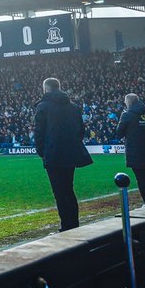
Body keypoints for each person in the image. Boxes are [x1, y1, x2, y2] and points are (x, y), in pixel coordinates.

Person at [33, 77, 93, 231]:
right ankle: (74, 224)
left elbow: (38, 132)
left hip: (53, 154)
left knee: (59, 192)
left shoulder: (43, 106)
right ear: (58, 87)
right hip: (70, 153)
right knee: (68, 189)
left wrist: (42, 152)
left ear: (46, 89)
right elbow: (81, 130)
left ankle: (66, 226)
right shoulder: (73, 106)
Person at [114, 93, 145, 206]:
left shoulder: (126, 115)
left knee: (140, 178)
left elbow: (119, 133)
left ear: (128, 102)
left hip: (135, 151)